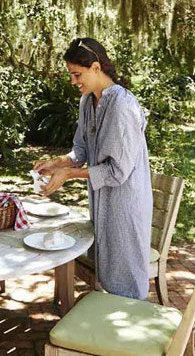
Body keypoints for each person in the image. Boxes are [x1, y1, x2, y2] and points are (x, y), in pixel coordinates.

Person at [34, 37, 153, 300]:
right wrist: (56, 163)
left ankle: (130, 332)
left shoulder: (122, 106)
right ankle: (108, 324)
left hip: (125, 203)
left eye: (77, 74)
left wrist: (68, 174)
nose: (73, 82)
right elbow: (81, 151)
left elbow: (117, 171)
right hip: (101, 201)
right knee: (105, 270)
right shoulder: (88, 102)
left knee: (126, 281)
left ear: (96, 68)